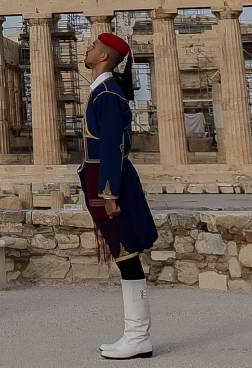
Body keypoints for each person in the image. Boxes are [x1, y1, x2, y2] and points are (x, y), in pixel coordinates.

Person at [82, 32, 159, 360]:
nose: (87, 47)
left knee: (127, 255)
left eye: (93, 45)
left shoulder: (108, 94)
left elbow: (113, 144)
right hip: (104, 182)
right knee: (123, 256)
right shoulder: (104, 91)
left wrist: (109, 193)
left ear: (104, 56)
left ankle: (138, 337)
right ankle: (134, 334)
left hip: (109, 184)